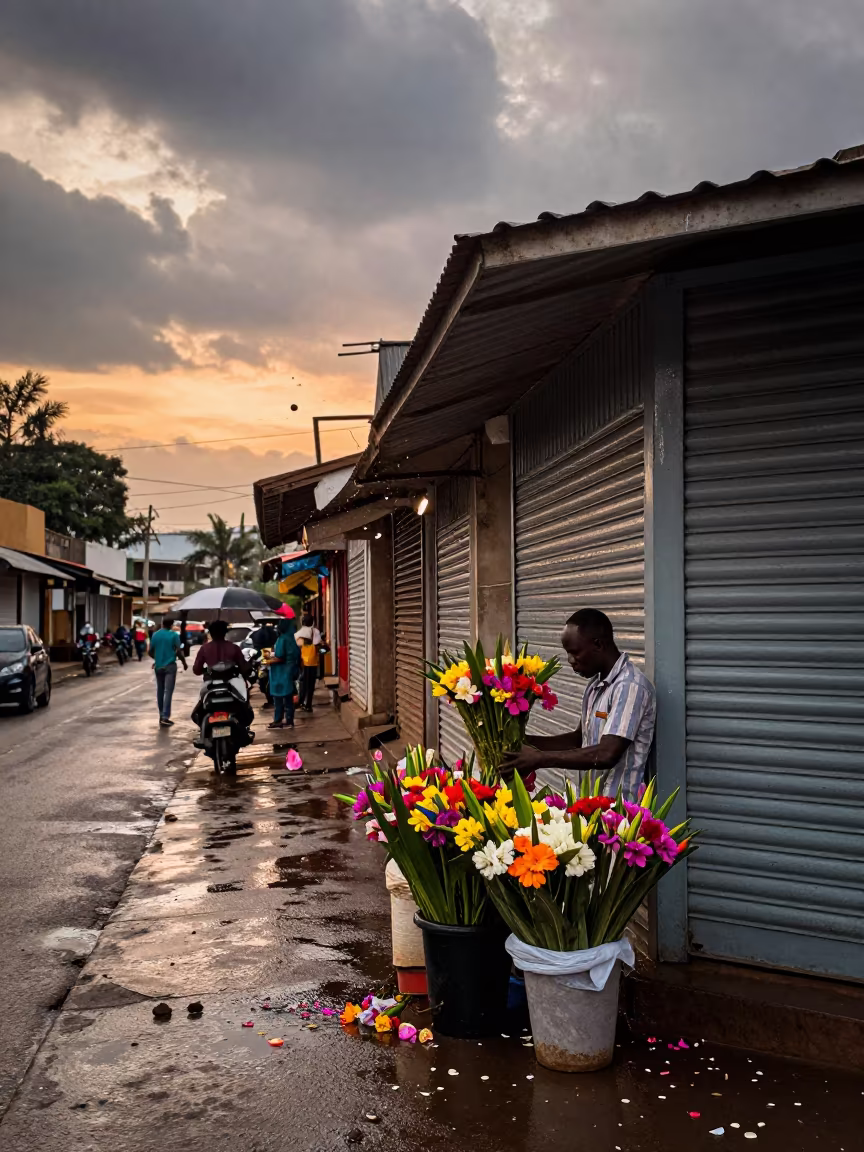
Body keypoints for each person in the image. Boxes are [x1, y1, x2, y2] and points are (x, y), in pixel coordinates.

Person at [502, 608, 656, 800]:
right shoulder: (595, 685)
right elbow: (578, 739)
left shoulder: (630, 686)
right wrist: (525, 743)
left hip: (619, 812)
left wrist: (540, 759)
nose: (571, 661)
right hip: (589, 803)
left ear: (598, 644)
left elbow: (607, 753)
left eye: (575, 652)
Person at [192, 619, 254, 727]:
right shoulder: (234, 648)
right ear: (226, 632)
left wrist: (208, 670)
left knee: (201, 706)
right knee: (244, 704)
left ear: (210, 633)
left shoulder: (204, 648)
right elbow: (244, 668)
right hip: (232, 682)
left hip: (210, 683)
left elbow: (197, 670)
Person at [148, 615, 187, 727]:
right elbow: (179, 651)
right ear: (171, 624)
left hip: (158, 666)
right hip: (170, 666)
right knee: (168, 692)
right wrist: (184, 663)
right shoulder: (174, 635)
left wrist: (157, 659)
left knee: (160, 690)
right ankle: (165, 717)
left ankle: (161, 715)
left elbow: (150, 651)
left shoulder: (156, 635)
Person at [267, 618, 300, 730]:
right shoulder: (291, 638)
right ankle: (289, 720)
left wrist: (268, 660)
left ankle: (278, 720)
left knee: (278, 697)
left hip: (281, 672)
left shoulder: (282, 639)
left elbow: (279, 656)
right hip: (290, 670)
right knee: (288, 697)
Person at [294, 613, 321, 712]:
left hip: (302, 662)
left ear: (302, 622)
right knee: (311, 684)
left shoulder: (298, 634)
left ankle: (300, 701)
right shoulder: (316, 632)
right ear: (312, 622)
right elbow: (318, 645)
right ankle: (308, 704)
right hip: (313, 662)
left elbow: (296, 648)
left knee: (302, 682)